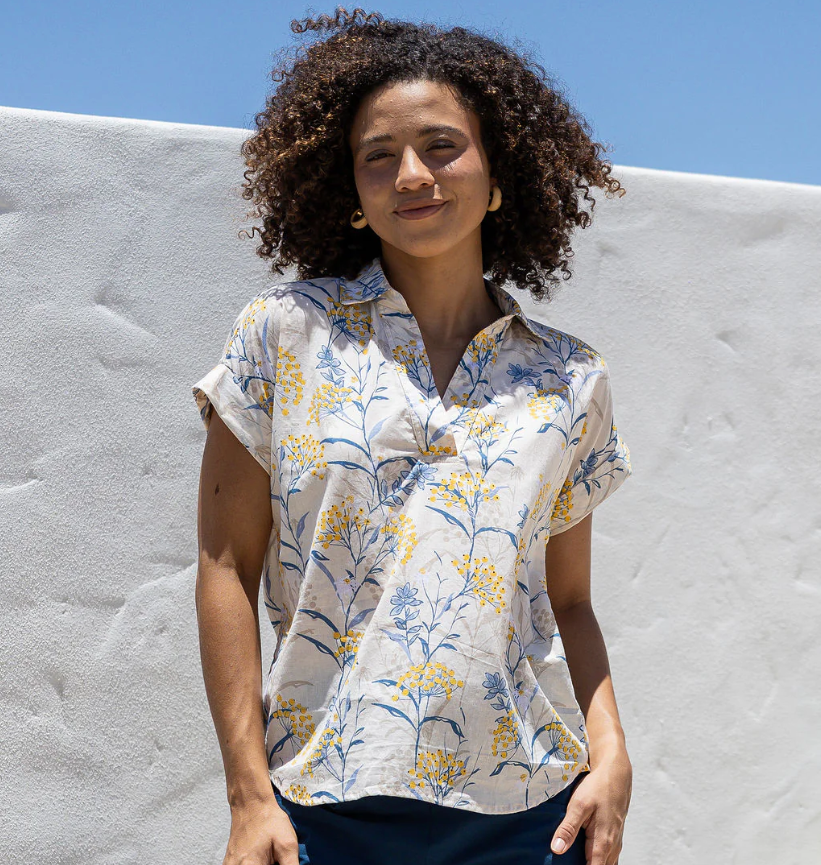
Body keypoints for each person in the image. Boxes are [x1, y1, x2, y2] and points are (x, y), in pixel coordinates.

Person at [192, 8, 633, 865]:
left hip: (532, 813)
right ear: (351, 194)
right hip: (320, 804)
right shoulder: (282, 336)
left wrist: (612, 754)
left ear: (497, 172)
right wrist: (248, 795)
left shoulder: (571, 378)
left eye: (440, 145)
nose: (411, 174)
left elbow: (569, 600)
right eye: (377, 156)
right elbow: (224, 569)